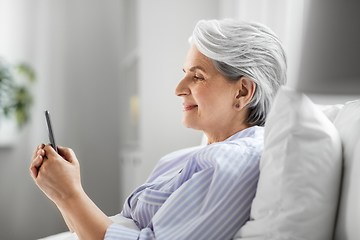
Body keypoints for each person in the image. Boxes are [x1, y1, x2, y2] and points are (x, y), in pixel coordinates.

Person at [30, 19, 287, 240]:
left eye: (197, 76)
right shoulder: (195, 156)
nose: (178, 89)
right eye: (185, 73)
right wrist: (61, 192)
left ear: (242, 91)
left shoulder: (233, 162)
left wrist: (70, 193)